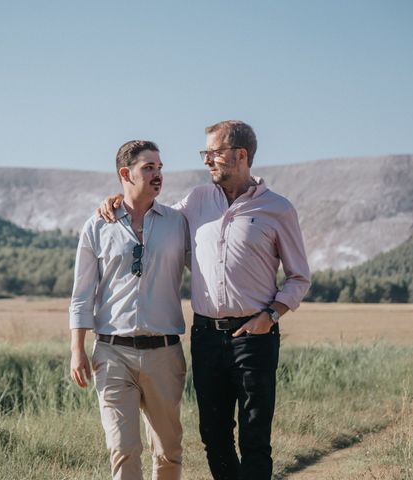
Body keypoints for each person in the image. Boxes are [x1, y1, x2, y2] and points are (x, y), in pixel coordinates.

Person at [99, 121, 311, 480]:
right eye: (206, 154)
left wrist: (271, 315)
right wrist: (119, 199)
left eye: (214, 153)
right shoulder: (196, 201)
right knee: (213, 435)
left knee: (255, 435)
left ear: (240, 156)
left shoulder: (278, 209)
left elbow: (299, 276)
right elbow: (154, 215)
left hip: (256, 337)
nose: (207, 160)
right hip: (206, 338)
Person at [69, 140, 190, 480]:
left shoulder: (178, 222)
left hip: (165, 353)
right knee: (123, 448)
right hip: (112, 352)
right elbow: (82, 295)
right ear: (126, 173)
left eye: (160, 168)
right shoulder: (97, 225)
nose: (158, 175)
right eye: (148, 167)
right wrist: (77, 350)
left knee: (168, 451)